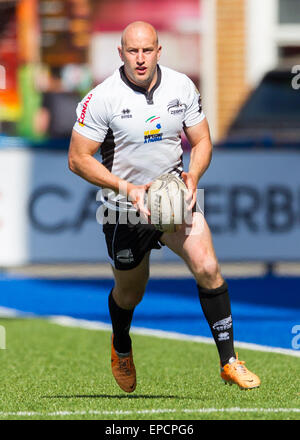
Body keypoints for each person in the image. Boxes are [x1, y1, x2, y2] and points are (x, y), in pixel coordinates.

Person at [68, 21, 260, 392]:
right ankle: (121, 344)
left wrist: (194, 176)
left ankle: (229, 360)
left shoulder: (181, 86)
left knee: (208, 266)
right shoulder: (102, 97)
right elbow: (78, 159)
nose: (140, 59)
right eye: (133, 51)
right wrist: (127, 188)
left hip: (174, 198)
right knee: (130, 293)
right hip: (123, 208)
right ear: (121, 53)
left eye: (147, 50)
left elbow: (202, 141)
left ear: (159, 51)